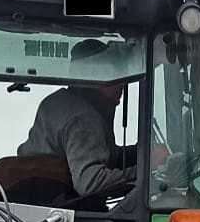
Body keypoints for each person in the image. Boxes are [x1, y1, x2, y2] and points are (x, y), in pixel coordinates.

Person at [16, 40, 132, 200]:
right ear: (95, 76)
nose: (123, 84)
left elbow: (98, 154)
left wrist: (143, 154)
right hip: (56, 212)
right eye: (116, 75)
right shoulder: (83, 118)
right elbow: (91, 184)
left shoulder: (57, 102)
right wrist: (146, 174)